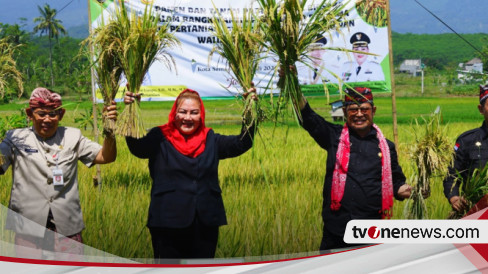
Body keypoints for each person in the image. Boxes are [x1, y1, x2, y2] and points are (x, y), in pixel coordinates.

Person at [124, 88, 257, 260]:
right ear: (174, 113)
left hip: (205, 223)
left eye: (194, 113)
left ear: (201, 115)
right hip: (166, 222)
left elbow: (242, 143)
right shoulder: (160, 137)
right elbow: (138, 148)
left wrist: (250, 109)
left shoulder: (211, 139)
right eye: (183, 112)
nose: (188, 117)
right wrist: (130, 111)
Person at [0, 87, 117, 259]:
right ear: (29, 114)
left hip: (66, 228)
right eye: (41, 114)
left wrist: (110, 129)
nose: (47, 119)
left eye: (53, 114)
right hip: (28, 229)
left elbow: (106, 156)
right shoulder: (16, 138)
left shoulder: (72, 136)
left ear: (61, 115)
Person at [299, 86, 411, 251]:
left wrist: (409, 191)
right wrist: (291, 81)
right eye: (353, 110)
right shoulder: (333, 136)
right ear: (345, 112)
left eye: (364, 109)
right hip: (336, 230)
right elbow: (309, 117)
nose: (359, 114)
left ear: (373, 110)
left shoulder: (386, 147)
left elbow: (396, 183)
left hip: (371, 231)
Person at [443, 85, 488, 212]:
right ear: (481, 109)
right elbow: (451, 176)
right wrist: (454, 197)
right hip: (477, 211)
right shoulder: (467, 141)